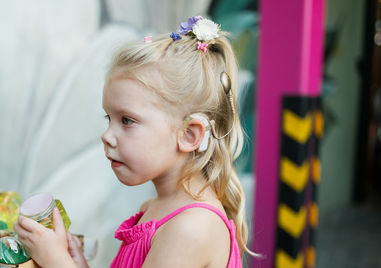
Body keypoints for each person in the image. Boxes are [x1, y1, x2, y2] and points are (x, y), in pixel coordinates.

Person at [14, 16, 252, 267]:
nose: (106, 135)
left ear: (189, 135)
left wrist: (56, 261)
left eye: (127, 120)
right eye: (109, 118)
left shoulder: (191, 227)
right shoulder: (157, 207)